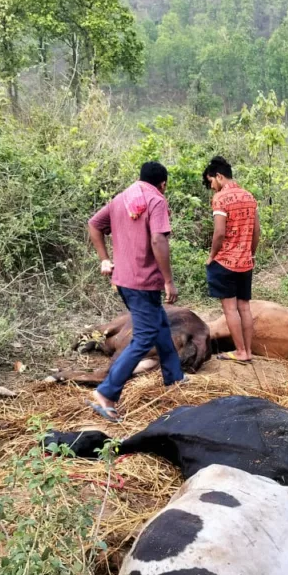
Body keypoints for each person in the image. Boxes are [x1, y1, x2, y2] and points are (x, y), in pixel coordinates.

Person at [87, 161, 185, 423]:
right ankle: (107, 392)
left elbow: (94, 224)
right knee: (144, 337)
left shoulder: (121, 198)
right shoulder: (156, 200)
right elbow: (158, 240)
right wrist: (168, 280)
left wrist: (104, 259)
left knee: (161, 326)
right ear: (162, 184)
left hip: (125, 280)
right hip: (143, 281)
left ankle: (175, 379)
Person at [203, 156, 260, 363]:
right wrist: (250, 253)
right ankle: (248, 351)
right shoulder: (249, 196)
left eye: (211, 182)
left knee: (229, 308)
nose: (213, 187)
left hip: (225, 262)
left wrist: (211, 257)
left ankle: (240, 351)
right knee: (244, 307)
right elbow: (256, 232)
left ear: (219, 176)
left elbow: (219, 233)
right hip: (245, 263)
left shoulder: (221, 198)